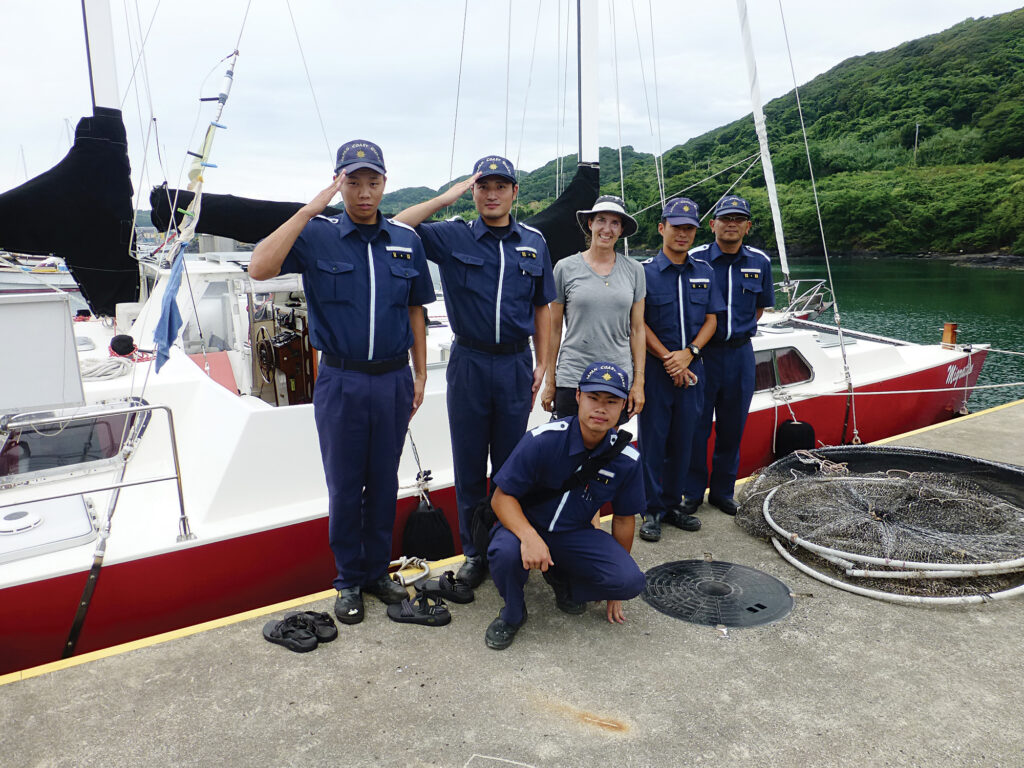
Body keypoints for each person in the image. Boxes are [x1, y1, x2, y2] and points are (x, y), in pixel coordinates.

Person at [249, 140, 435, 625]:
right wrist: (309, 209)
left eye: (373, 181)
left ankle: (376, 573)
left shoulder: (405, 239)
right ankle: (348, 580)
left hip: (393, 379)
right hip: (341, 379)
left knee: (383, 482)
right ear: (339, 183)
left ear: (384, 184)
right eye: (353, 182)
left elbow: (416, 310)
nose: (364, 192)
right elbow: (259, 268)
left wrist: (419, 373)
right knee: (345, 485)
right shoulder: (317, 235)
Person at [393, 155, 554, 589]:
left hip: (515, 363)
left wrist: (545, 363)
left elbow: (543, 307)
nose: (492, 194)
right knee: (468, 465)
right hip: (469, 362)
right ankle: (474, 553)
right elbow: (401, 225)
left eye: (501, 186)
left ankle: (504, 548)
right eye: (484, 186)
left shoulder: (534, 241)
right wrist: (449, 195)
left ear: (515, 192)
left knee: (508, 467)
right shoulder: (453, 236)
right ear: (474, 191)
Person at [484, 361, 647, 650]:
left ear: (623, 406)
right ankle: (513, 612)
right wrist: (530, 537)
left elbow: (623, 518)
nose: (601, 408)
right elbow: (501, 497)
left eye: (611, 401)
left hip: (574, 533)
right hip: (524, 524)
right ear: (578, 397)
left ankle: (564, 581)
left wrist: (613, 588)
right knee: (504, 553)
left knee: (629, 580)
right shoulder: (543, 441)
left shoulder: (627, 460)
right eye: (593, 398)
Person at [682, 195, 775, 517]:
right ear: (713, 224)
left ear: (747, 226)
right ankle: (691, 492)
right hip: (703, 356)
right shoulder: (695, 259)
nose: (731, 224)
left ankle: (722, 492)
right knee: (696, 427)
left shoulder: (760, 262)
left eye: (739, 219)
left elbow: (760, 308)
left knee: (733, 427)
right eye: (725, 218)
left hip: (740, 355)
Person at [637, 198, 723, 542]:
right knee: (654, 442)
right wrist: (669, 359)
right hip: (658, 373)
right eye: (676, 227)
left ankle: (673, 505)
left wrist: (690, 354)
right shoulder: (643, 273)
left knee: (684, 440)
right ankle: (651, 509)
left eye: (689, 228)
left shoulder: (705, 271)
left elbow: (712, 319)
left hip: (693, 370)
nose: (682, 234)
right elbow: (638, 323)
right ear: (662, 229)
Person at [540, 195, 646, 423]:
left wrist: (639, 383)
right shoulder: (565, 268)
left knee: (608, 451)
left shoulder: (635, 271)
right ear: (590, 224)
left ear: (621, 230)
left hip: (617, 377)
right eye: (601, 220)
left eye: (615, 222)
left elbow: (637, 330)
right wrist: (550, 382)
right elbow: (554, 329)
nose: (607, 228)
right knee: (568, 447)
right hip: (573, 376)